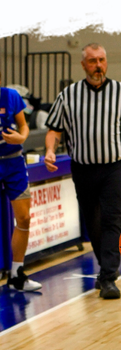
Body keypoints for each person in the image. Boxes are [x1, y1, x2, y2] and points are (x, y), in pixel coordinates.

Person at [44, 43, 121, 300]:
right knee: (92, 221)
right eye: (93, 61)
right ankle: (104, 269)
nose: (98, 65)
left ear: (106, 63)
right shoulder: (69, 94)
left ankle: (109, 277)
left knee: (111, 218)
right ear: (83, 64)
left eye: (101, 60)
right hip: (83, 167)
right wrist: (50, 149)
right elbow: (53, 128)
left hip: (115, 166)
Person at [1, 76, 40, 292]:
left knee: (24, 217)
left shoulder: (11, 96)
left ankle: (17, 273)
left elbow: (24, 127)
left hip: (13, 161)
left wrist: (20, 138)